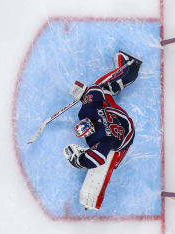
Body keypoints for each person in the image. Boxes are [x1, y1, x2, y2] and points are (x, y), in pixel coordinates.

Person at [63, 50, 142, 210]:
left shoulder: (99, 139)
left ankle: (130, 69)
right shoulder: (89, 112)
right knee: (103, 88)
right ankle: (129, 68)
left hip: (125, 137)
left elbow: (98, 159)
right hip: (121, 121)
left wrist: (79, 161)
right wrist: (86, 95)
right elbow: (95, 90)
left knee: (112, 155)